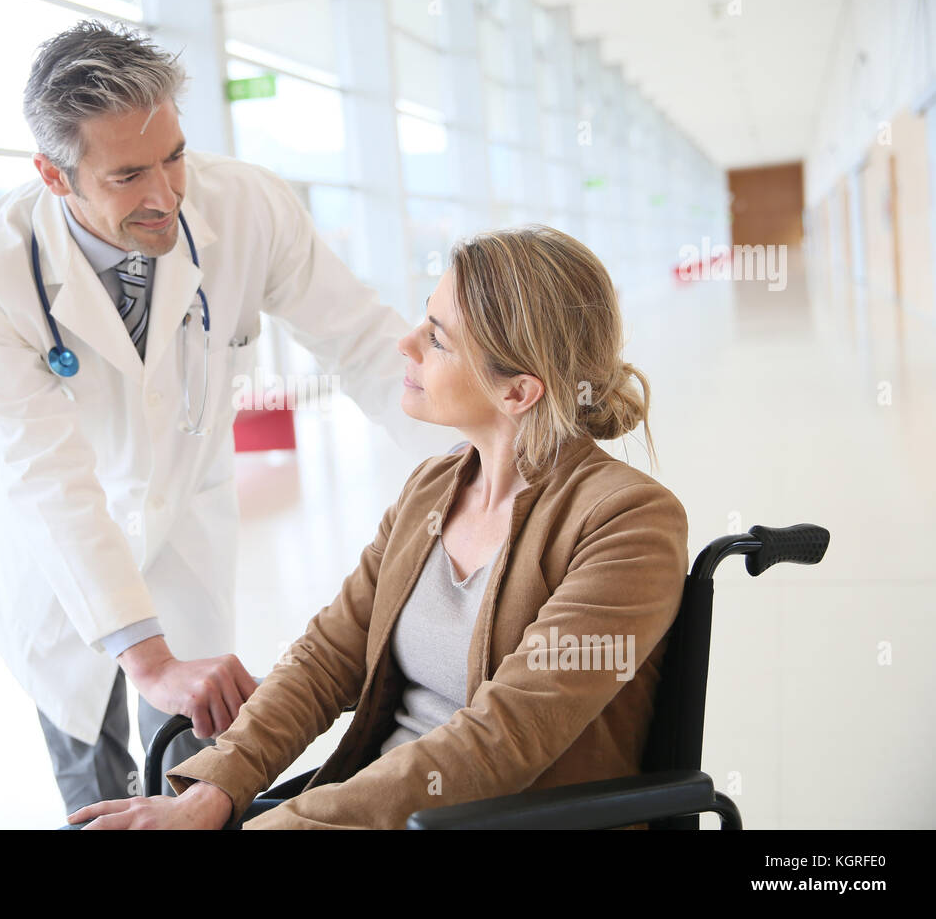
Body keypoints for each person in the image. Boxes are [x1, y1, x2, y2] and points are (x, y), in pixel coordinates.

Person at [0, 20, 459, 818]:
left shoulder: (247, 205)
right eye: (127, 176)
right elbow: (49, 472)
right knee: (93, 774)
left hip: (184, 528)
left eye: (174, 156)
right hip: (61, 557)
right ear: (54, 174)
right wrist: (142, 655)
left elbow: (360, 342)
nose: (166, 196)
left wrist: (484, 462)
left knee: (192, 769)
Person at [66, 224, 690, 829]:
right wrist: (214, 790)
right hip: (371, 808)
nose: (406, 343)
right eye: (424, 316)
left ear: (519, 391)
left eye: (438, 339)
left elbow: (500, 744)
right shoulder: (433, 488)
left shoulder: (627, 523)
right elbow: (327, 657)